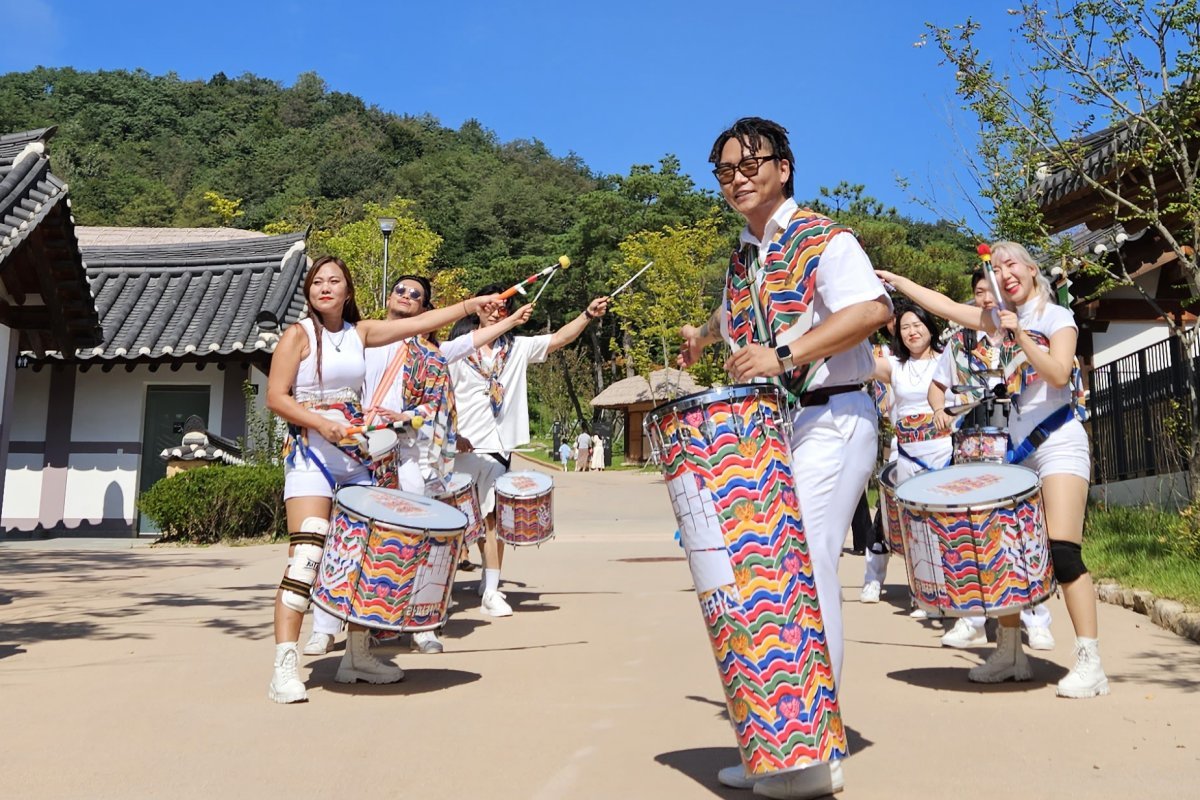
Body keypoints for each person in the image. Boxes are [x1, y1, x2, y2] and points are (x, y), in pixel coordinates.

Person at [679, 117, 892, 799]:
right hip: (775, 427)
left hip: (835, 415)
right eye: (725, 170)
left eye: (751, 163)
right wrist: (702, 337)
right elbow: (732, 318)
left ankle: (815, 749)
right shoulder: (746, 257)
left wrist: (785, 356)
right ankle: (777, 739)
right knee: (763, 571)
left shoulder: (824, 238)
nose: (737, 177)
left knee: (803, 562)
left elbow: (871, 309)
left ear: (785, 168)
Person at [878, 242, 1107, 698]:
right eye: (996, 268)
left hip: (1059, 442)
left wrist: (1019, 334)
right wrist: (901, 284)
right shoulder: (995, 319)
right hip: (1015, 451)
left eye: (1011, 265)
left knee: (1062, 551)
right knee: (1005, 549)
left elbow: (1059, 374)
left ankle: (1090, 660)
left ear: (1030, 269)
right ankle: (1009, 652)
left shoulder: (1056, 317)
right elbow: (944, 307)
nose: (1004, 274)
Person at [265, 256, 497, 704]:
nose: (324, 287)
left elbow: (423, 324)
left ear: (348, 291)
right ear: (308, 291)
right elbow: (276, 397)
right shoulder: (297, 336)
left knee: (362, 556)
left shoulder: (361, 333)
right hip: (311, 457)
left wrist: (470, 304)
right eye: (317, 282)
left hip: (357, 459)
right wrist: (320, 422)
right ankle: (284, 666)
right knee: (308, 554)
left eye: (334, 281)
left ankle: (357, 656)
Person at [303, 275, 532, 657]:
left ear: (425, 309)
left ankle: (420, 624)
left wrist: (509, 320)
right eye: (401, 291)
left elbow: (469, 341)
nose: (406, 296)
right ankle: (325, 627)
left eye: (416, 295)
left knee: (415, 538)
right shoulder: (360, 337)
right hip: (360, 450)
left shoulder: (431, 353)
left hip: (410, 454)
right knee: (347, 537)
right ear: (388, 297)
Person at [449, 286, 609, 617]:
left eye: (504, 307)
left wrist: (587, 314)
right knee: (458, 522)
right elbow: (444, 394)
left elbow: (560, 339)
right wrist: (453, 433)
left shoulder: (516, 347)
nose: (497, 311)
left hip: (498, 448)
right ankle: (439, 585)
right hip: (462, 448)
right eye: (491, 305)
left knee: (494, 519)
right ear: (478, 309)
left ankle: (491, 589)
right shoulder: (460, 349)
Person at [927, 268, 1055, 651]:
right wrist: (940, 412)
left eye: (992, 291)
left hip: (1016, 440)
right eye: (981, 292)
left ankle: (1037, 618)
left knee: (1021, 526)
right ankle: (972, 617)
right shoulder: (959, 341)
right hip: (971, 442)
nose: (986, 298)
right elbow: (937, 387)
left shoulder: (1020, 333)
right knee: (973, 526)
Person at [859, 303, 948, 606]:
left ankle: (939, 590)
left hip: (941, 453)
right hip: (905, 453)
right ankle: (894, 583)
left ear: (930, 326)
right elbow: (859, 357)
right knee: (897, 520)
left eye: (917, 325)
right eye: (905, 327)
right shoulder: (894, 364)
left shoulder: (947, 359)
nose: (912, 331)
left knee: (938, 522)